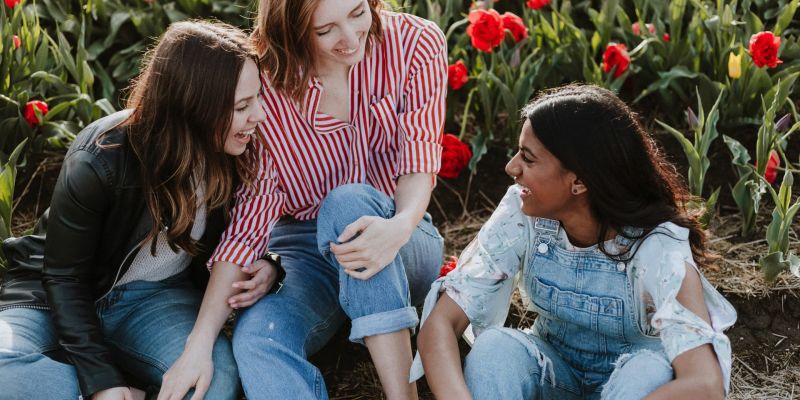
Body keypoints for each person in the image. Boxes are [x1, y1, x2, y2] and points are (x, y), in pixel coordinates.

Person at [161, 0, 447, 399]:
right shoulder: (265, 88)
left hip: (400, 236)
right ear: (291, 30)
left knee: (347, 205)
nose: (350, 39)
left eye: (358, 13)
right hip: (305, 251)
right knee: (259, 341)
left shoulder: (416, 43)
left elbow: (420, 157)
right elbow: (250, 222)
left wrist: (398, 227)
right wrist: (199, 344)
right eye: (324, 29)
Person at [0, 20, 278, 400]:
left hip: (154, 300)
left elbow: (258, 226)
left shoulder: (240, 153)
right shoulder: (100, 158)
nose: (258, 115)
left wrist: (271, 263)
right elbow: (64, 278)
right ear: (193, 107)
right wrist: (102, 384)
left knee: (216, 383)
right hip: (53, 296)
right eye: (242, 106)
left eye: (257, 98)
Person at [414, 84, 737, 400]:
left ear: (580, 181)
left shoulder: (658, 247)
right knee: (497, 347)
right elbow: (441, 323)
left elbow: (703, 385)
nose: (511, 167)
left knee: (646, 370)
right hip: (554, 375)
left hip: (632, 389)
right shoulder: (523, 213)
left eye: (528, 158)